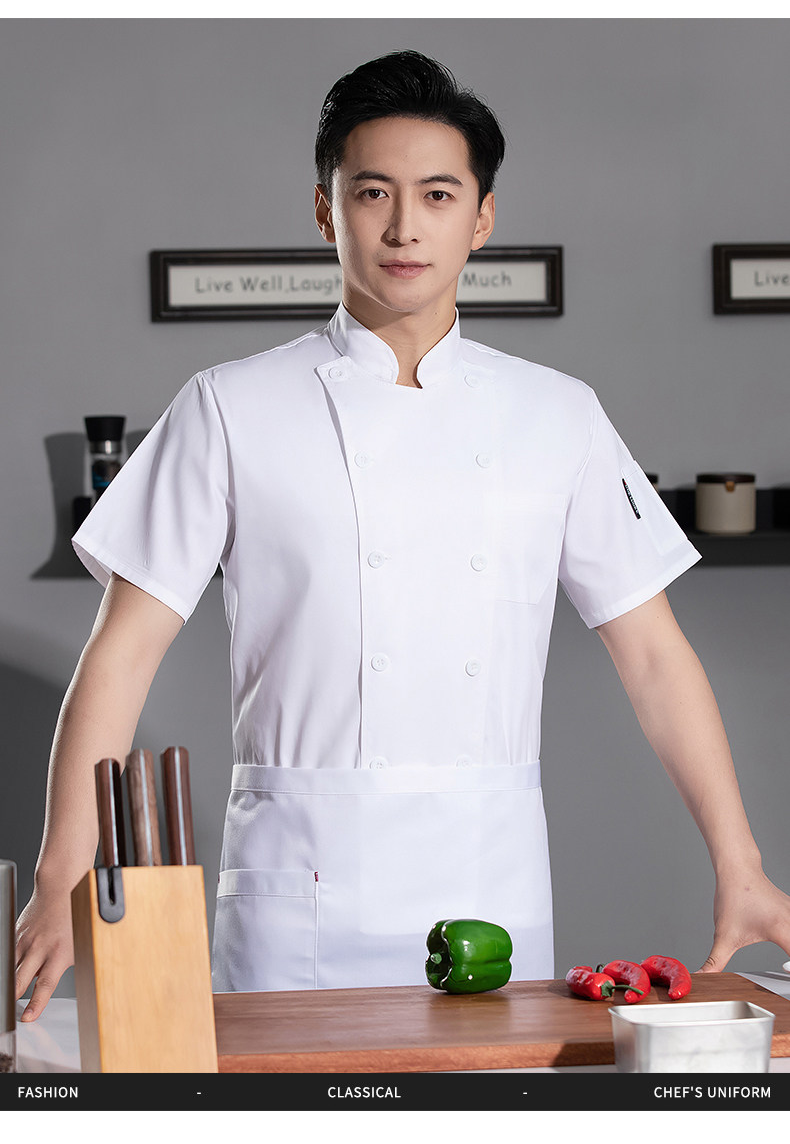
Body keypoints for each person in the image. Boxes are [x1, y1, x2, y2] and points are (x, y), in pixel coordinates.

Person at [16, 50, 790, 1016]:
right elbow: (123, 652)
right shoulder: (230, 406)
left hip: (490, 880)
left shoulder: (559, 415)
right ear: (325, 210)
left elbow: (655, 659)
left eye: (437, 195)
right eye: (372, 192)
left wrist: (740, 861)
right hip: (299, 889)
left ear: (482, 217)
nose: (403, 226)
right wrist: (63, 873)